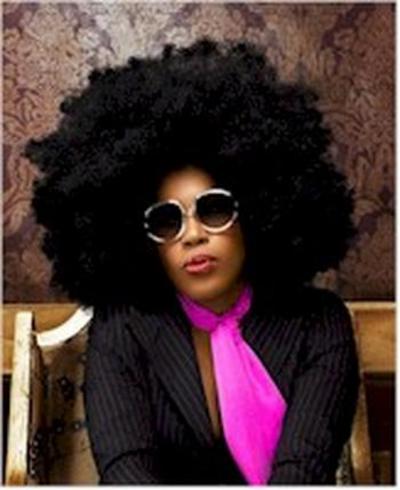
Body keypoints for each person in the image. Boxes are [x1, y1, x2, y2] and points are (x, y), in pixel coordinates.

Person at [25, 38, 359, 484]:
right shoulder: (124, 327)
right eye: (167, 220)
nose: (193, 234)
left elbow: (304, 470)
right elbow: (126, 470)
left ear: (258, 211)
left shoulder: (318, 323)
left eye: (214, 209)